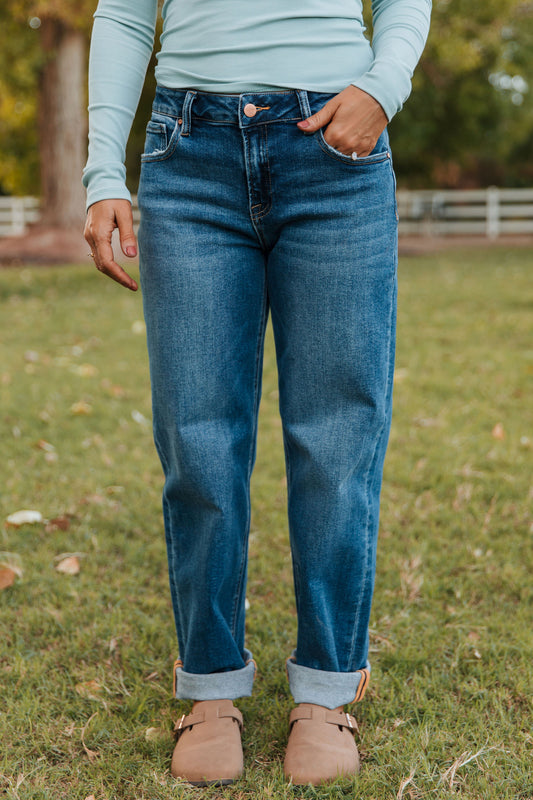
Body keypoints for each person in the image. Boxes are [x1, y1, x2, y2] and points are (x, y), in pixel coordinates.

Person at [83, 0, 431, 787]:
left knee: (336, 444)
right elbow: (126, 15)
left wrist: (383, 86)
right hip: (188, 154)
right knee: (198, 444)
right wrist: (103, 169)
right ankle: (209, 689)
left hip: (336, 151)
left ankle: (326, 691)